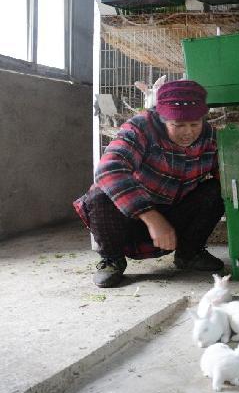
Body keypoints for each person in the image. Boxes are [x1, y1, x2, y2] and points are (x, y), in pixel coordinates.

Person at [74, 80, 225, 288]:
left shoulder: (210, 137)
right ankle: (112, 260)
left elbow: (231, 176)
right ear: (162, 119)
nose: (188, 132)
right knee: (100, 195)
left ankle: (189, 254)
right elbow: (109, 169)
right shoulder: (140, 128)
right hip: (131, 216)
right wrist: (151, 217)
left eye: (194, 124)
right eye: (178, 125)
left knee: (217, 191)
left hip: (173, 216)